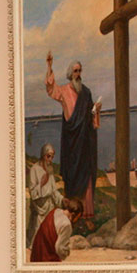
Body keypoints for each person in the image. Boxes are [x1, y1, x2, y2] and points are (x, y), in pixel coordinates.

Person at [45, 52, 100, 219]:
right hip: (71, 142)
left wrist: (96, 110)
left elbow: (91, 118)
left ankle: (87, 214)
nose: (78, 74)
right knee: (72, 177)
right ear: (70, 73)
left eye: (80, 71)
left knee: (86, 175)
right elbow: (51, 89)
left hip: (84, 142)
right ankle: (72, 214)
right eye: (75, 71)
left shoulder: (86, 92)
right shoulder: (64, 91)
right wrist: (49, 66)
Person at [27, 143, 63, 243]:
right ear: (43, 155)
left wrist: (62, 199)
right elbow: (33, 193)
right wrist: (41, 184)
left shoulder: (50, 169)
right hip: (39, 208)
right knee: (38, 237)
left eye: (52, 157)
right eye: (48, 156)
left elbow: (53, 190)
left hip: (50, 207)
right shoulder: (34, 169)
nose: (50, 159)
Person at [30, 197, 82, 262]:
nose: (77, 220)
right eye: (78, 217)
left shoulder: (56, 211)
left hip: (37, 253)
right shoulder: (67, 224)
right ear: (73, 214)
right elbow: (59, 248)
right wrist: (67, 252)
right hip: (47, 257)